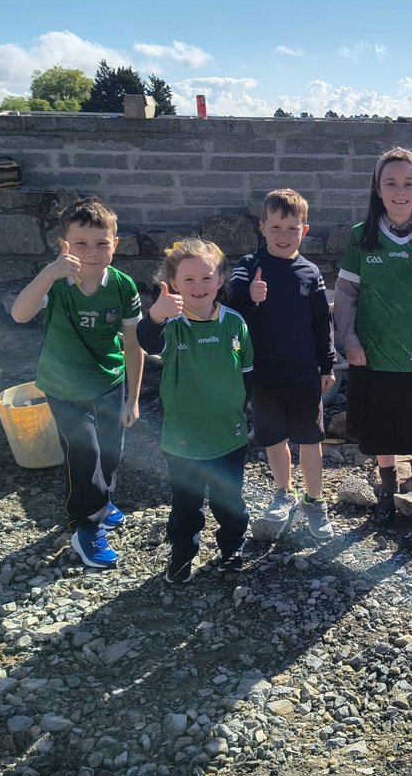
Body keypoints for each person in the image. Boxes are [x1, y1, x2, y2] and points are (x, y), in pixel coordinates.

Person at [332, 147, 412, 548]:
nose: (400, 191)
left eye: (409, 183)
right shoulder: (361, 235)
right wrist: (347, 340)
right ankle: (386, 498)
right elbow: (346, 293)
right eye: (391, 183)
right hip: (370, 353)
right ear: (378, 188)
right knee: (380, 432)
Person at [10, 197, 144, 569]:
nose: (92, 252)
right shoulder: (56, 282)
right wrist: (49, 273)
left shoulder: (122, 286)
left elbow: (133, 345)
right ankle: (85, 528)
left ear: (115, 245)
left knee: (111, 451)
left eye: (102, 243)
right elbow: (20, 315)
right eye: (81, 244)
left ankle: (103, 500)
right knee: (84, 454)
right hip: (64, 387)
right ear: (64, 245)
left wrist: (132, 398)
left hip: (109, 382)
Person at [136, 238, 254, 583]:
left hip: (227, 436)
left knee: (228, 500)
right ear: (173, 285)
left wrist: (240, 411)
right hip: (182, 439)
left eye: (206, 278)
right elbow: (148, 340)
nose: (198, 286)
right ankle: (183, 551)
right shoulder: (172, 324)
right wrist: (156, 315)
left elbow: (248, 373)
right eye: (188, 280)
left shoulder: (235, 323)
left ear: (220, 280)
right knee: (186, 505)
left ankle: (232, 547)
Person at [227, 188, 336, 541]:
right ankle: (283, 492)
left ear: (304, 230)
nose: (284, 236)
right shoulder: (249, 267)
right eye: (276, 228)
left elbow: (322, 322)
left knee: (310, 439)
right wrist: (251, 297)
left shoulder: (310, 273)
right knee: (273, 438)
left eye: (292, 228)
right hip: (263, 374)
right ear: (263, 227)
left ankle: (314, 500)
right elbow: (232, 306)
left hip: (304, 374)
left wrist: (327, 364)